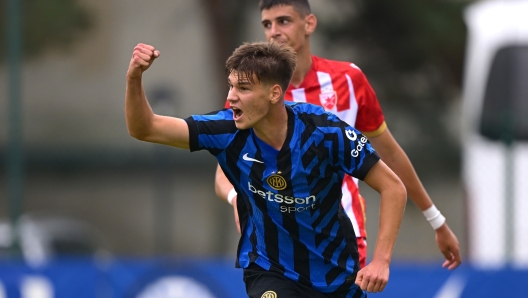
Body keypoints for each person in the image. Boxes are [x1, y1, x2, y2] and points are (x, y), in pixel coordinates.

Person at [126, 41, 407, 297]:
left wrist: (381, 260)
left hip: (335, 274)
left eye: (244, 88)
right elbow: (145, 128)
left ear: (274, 93)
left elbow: (393, 187)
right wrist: (134, 77)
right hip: (269, 269)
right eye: (231, 86)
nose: (232, 97)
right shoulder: (225, 130)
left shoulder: (325, 132)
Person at [214, 0, 462, 270]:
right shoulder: (252, 94)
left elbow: (389, 154)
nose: (274, 31)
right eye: (267, 24)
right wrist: (237, 198)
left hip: (341, 233)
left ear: (309, 24)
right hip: (279, 239)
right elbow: (223, 173)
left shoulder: (348, 80)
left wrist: (436, 220)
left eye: (283, 21)